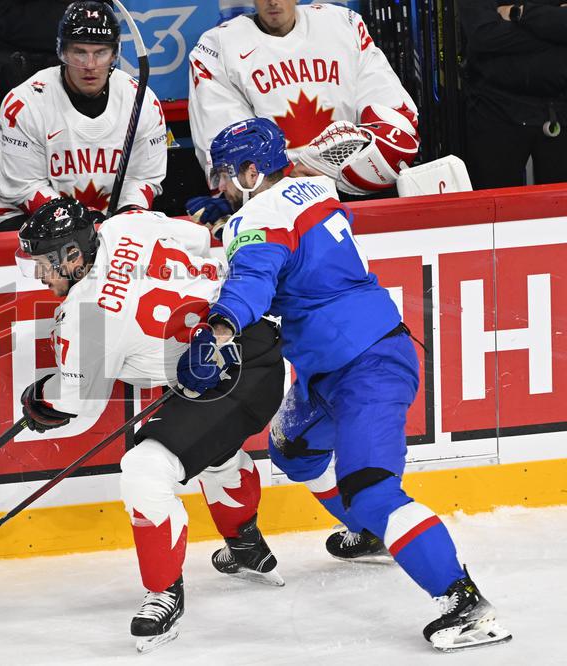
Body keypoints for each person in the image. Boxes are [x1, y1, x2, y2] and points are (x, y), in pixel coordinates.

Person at [177, 117, 511, 652]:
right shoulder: (314, 187)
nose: (216, 185)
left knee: (371, 486)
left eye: (222, 175)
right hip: (335, 363)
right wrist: (231, 209)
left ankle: (465, 603)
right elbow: (288, 226)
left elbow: (252, 281)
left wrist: (217, 332)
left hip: (368, 366)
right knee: (293, 449)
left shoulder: (259, 218)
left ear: (248, 170)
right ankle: (375, 532)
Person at [16, 197, 285, 653]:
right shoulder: (128, 224)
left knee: (145, 468)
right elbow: (203, 240)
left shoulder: (86, 316)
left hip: (225, 373)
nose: (40, 275)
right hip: (255, 341)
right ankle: (247, 547)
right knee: (210, 448)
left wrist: (40, 397)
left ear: (74, 257)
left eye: (44, 264)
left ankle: (165, 594)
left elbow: (79, 404)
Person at [185, 0, 419, 231]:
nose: (273, 2)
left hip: (354, 191)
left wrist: (360, 162)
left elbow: (395, 118)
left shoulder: (342, 25)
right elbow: (230, 149)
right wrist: (282, 180)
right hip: (281, 206)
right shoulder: (218, 46)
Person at [0, 1, 168, 232]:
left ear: (114, 54)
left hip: (107, 224)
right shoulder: (25, 102)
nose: (90, 65)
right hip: (26, 220)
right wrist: (77, 220)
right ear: (62, 52)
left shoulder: (143, 101)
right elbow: (24, 187)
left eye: (100, 53)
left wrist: (128, 216)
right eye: (79, 53)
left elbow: (145, 178)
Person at [458, 0, 567, 189]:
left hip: (559, 108)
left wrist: (519, 14)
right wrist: (553, 32)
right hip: (494, 110)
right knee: (495, 209)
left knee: (560, 210)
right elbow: (483, 36)